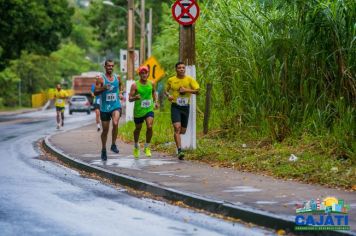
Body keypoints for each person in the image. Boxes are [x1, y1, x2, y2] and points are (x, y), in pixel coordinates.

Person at [164, 62, 200, 160]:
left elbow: (198, 91)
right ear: (176, 69)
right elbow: (166, 91)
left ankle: (178, 139)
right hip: (175, 106)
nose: (181, 69)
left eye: (183, 68)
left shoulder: (189, 80)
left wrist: (186, 90)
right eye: (179, 68)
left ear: (185, 69)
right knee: (177, 128)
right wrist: (168, 96)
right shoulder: (171, 80)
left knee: (182, 131)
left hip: (185, 107)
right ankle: (180, 150)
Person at [94, 59, 123, 161]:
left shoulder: (117, 77)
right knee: (105, 130)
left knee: (115, 123)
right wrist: (103, 88)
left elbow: (120, 85)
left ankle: (113, 144)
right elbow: (95, 93)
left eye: (112, 66)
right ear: (105, 67)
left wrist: (120, 93)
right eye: (108, 66)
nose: (110, 67)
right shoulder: (100, 79)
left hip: (116, 105)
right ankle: (103, 149)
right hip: (105, 108)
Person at [129, 66, 158, 158]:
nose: (144, 75)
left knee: (149, 126)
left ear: (148, 73)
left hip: (149, 109)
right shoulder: (135, 85)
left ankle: (147, 147)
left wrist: (155, 102)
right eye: (142, 73)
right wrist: (135, 98)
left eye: (146, 73)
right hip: (138, 111)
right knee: (138, 128)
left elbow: (154, 92)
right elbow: (129, 99)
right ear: (139, 74)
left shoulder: (152, 83)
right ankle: (136, 146)